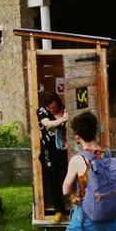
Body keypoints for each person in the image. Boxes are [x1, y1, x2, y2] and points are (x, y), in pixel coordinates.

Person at [37, 92, 69, 224]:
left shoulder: (66, 109)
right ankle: (59, 210)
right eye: (50, 108)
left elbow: (70, 129)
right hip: (48, 153)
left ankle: (72, 208)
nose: (52, 110)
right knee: (53, 181)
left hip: (63, 152)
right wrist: (62, 120)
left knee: (66, 178)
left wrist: (69, 143)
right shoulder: (42, 111)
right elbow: (47, 124)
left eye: (54, 108)